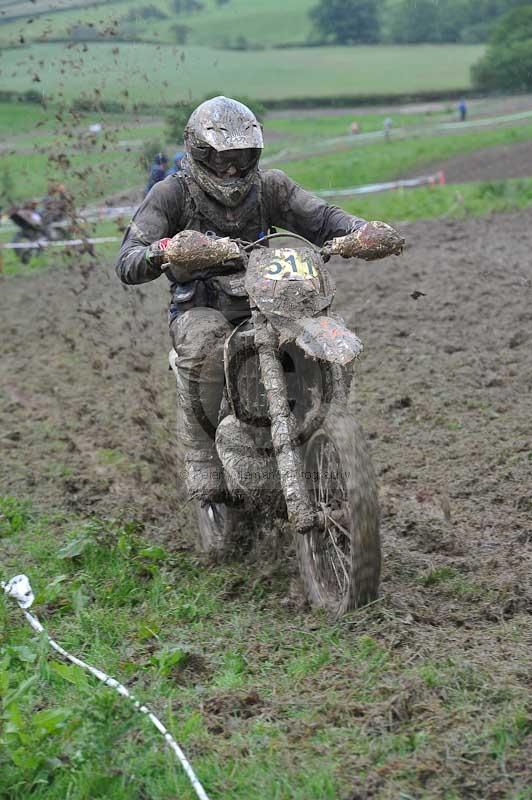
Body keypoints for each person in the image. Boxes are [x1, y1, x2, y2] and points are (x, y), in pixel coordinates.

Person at [116, 96, 401, 502]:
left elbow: (321, 218)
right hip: (203, 305)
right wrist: (165, 250)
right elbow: (128, 259)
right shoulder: (170, 194)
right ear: (199, 153)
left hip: (272, 297)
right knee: (205, 345)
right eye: (220, 159)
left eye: (243, 156)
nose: (232, 168)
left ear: (257, 153)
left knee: (320, 330)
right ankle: (202, 457)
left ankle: (324, 420)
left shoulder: (271, 186)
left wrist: (361, 230)